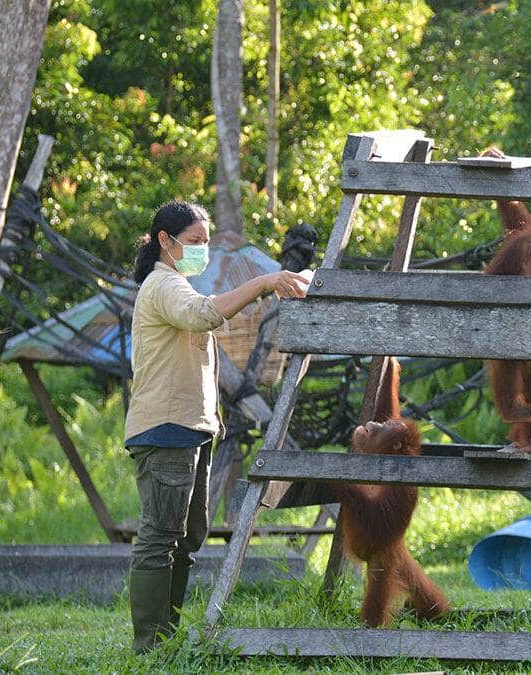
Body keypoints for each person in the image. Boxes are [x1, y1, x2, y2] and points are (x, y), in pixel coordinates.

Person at [124, 201, 309, 652]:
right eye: (194, 242)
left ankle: (166, 637)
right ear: (165, 242)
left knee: (187, 537)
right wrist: (264, 281)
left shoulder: (177, 283)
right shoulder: (162, 285)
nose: (201, 250)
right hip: (165, 429)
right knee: (159, 536)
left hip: (193, 428)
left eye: (206, 242)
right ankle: (149, 644)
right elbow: (205, 314)